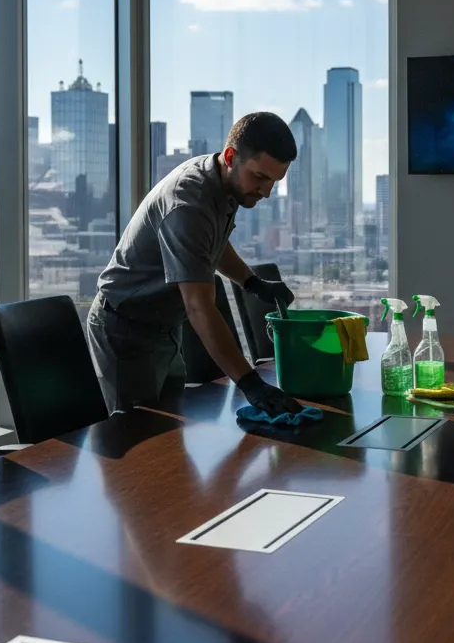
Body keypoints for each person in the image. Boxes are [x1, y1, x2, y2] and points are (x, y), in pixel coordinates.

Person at [87, 112, 303, 418]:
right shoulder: (188, 201)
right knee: (140, 439)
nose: (266, 192)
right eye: (260, 177)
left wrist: (250, 282)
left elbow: (210, 245)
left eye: (274, 182)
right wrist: (251, 384)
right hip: (125, 329)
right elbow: (199, 307)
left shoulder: (223, 182)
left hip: (162, 327)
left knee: (170, 434)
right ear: (231, 156)